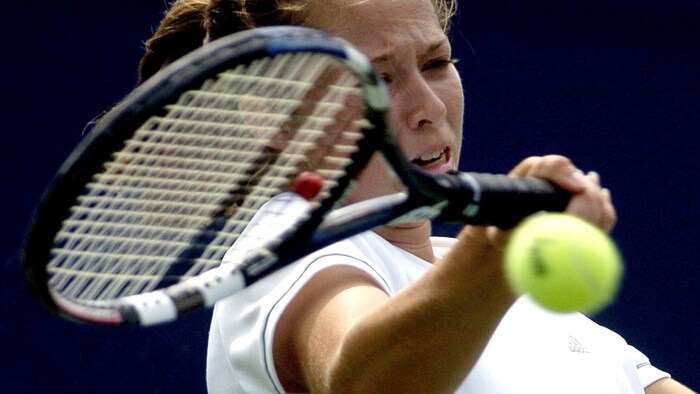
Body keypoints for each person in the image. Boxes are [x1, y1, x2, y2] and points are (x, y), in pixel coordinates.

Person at [137, 0, 697, 393]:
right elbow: (362, 382)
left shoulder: (492, 278)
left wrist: (489, 258)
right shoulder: (285, 259)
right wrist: (493, 253)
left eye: (436, 63)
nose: (427, 105)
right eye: (376, 79)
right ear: (273, 114)